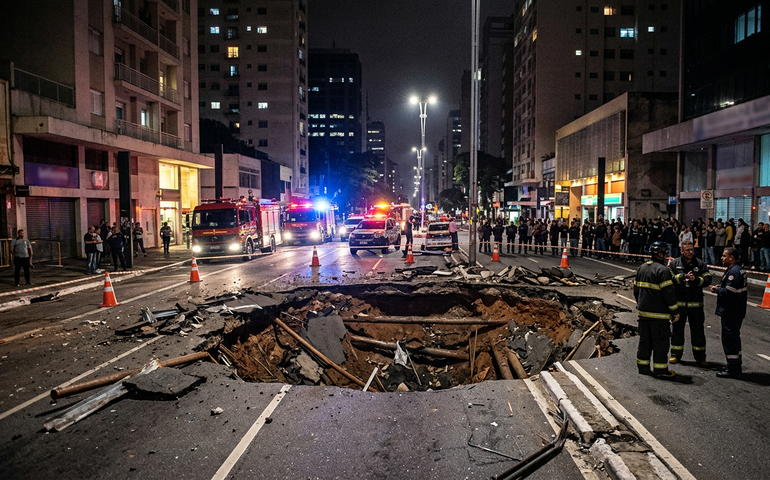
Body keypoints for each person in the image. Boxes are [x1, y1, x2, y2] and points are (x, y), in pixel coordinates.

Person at [633, 241, 680, 378]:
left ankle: (643, 368)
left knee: (644, 343)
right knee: (660, 344)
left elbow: (636, 291)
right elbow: (669, 294)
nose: (666, 256)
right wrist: (675, 311)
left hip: (643, 315)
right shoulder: (663, 271)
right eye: (665, 253)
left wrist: (641, 304)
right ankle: (660, 370)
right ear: (660, 254)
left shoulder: (641, 268)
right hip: (659, 317)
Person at [668, 240, 711, 366]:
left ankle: (700, 358)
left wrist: (696, 279)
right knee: (677, 331)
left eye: (692, 249)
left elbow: (708, 279)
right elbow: (669, 279)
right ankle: (675, 355)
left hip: (696, 306)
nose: (690, 252)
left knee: (698, 332)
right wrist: (682, 277)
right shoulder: (675, 264)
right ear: (682, 251)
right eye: (687, 250)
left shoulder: (700, 264)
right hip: (679, 305)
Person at [710, 248, 748, 378]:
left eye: (724, 256)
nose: (722, 258)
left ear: (731, 257)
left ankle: (733, 369)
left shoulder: (734, 272)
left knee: (730, 339)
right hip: (736, 310)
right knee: (733, 338)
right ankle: (735, 365)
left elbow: (730, 291)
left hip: (731, 311)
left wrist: (717, 289)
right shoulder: (738, 269)